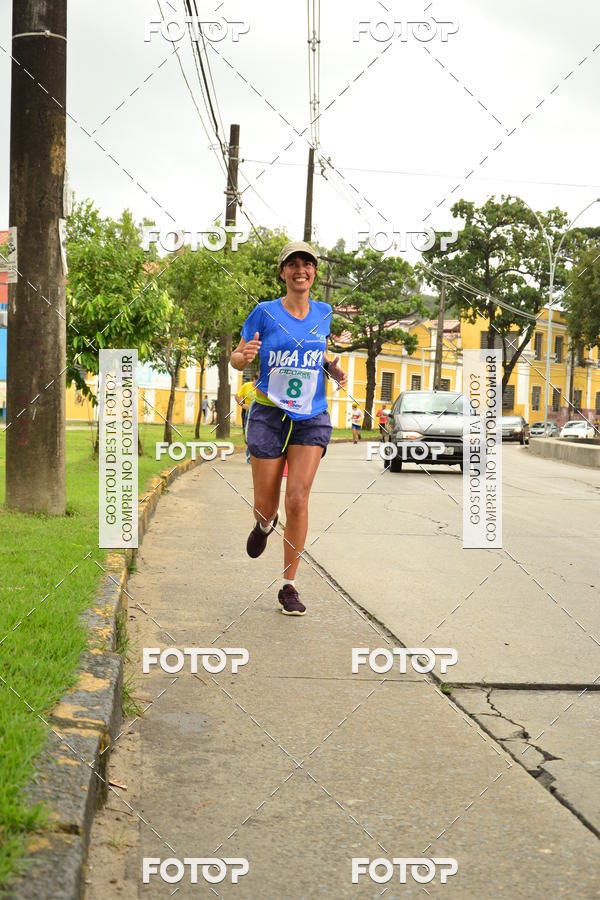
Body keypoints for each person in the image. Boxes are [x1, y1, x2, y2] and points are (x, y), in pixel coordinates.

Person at [230, 240, 347, 616]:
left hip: (310, 416)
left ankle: (289, 585)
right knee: (265, 506)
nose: (301, 270)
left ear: (315, 272)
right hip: (268, 415)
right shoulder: (264, 313)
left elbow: (314, 351)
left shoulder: (324, 313)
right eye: (293, 264)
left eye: (307, 264)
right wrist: (242, 357)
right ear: (282, 272)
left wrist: (330, 367)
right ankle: (264, 524)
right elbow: (237, 356)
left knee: (297, 498)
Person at [235, 376, 258, 463]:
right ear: (253, 379)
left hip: (258, 413)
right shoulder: (246, 386)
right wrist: (242, 405)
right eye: (256, 380)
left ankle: (253, 456)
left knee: (256, 434)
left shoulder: (262, 387)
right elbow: (237, 396)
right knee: (247, 434)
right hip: (247, 413)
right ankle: (249, 455)